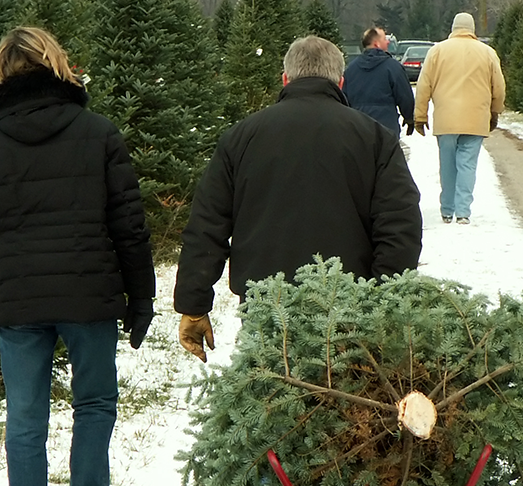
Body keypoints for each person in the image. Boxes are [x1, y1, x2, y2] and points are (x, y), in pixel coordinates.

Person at [0, 26, 156, 486]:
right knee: (93, 403)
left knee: (25, 421)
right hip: (89, 296)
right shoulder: (98, 133)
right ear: (57, 65)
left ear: (0, 73)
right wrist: (140, 299)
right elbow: (130, 228)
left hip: (19, 302)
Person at [174, 36, 423, 363]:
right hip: (347, 308)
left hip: (266, 306)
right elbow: (401, 226)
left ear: (285, 79)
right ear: (341, 82)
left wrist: (193, 306)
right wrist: (380, 300)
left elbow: (207, 225)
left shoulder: (242, 138)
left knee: (268, 398)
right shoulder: (374, 137)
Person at [413, 12, 505, 225]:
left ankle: (447, 210)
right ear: (473, 29)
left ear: (453, 28)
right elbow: (498, 87)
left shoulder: (437, 51)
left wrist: (420, 115)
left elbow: (424, 84)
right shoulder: (488, 53)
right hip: (476, 118)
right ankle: (463, 211)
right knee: (467, 165)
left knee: (447, 165)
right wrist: (494, 111)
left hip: (446, 119)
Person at [343, 26, 415, 137]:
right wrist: (409, 118)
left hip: (358, 128)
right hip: (386, 128)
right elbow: (405, 96)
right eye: (385, 39)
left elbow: (344, 100)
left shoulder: (351, 69)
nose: (388, 42)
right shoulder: (393, 67)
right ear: (376, 44)